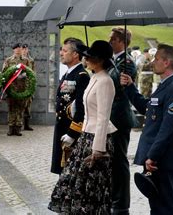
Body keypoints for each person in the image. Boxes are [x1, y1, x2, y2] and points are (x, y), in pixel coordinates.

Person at [49, 40, 117, 214]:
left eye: (89, 57)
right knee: (74, 183)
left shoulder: (105, 81)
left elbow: (102, 117)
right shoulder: (94, 77)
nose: (85, 59)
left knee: (91, 186)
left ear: (99, 60)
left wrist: (98, 149)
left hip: (96, 139)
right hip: (86, 136)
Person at [120, 44, 173, 215]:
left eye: (157, 59)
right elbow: (147, 108)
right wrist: (130, 86)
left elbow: (169, 127)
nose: (153, 62)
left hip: (161, 160)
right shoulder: (165, 85)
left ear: (166, 62)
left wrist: (153, 156)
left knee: (166, 206)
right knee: (157, 206)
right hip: (155, 159)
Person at [108, 27, 137, 215]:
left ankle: (121, 202)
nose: (109, 41)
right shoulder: (115, 60)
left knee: (119, 161)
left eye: (112, 39)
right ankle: (114, 196)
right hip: (112, 116)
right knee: (113, 160)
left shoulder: (126, 62)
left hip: (119, 117)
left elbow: (117, 85)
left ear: (120, 41)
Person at [50, 37, 90, 175]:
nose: (61, 53)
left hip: (70, 129)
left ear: (75, 54)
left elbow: (81, 107)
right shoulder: (68, 74)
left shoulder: (81, 75)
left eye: (65, 50)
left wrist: (73, 133)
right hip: (62, 126)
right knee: (63, 170)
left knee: (71, 169)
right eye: (61, 49)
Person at [2, 43, 31, 136]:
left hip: (22, 88)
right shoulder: (8, 60)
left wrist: (24, 75)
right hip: (12, 88)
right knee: (11, 108)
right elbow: (4, 73)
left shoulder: (26, 60)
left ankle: (18, 127)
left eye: (19, 48)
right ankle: (11, 128)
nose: (18, 50)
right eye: (16, 48)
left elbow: (30, 73)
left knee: (20, 109)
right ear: (13, 50)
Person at [22, 43, 35, 131]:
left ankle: (27, 124)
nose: (25, 50)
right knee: (20, 106)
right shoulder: (19, 60)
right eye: (23, 49)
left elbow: (33, 73)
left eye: (26, 49)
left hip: (28, 85)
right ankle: (19, 124)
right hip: (20, 86)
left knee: (28, 106)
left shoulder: (31, 60)